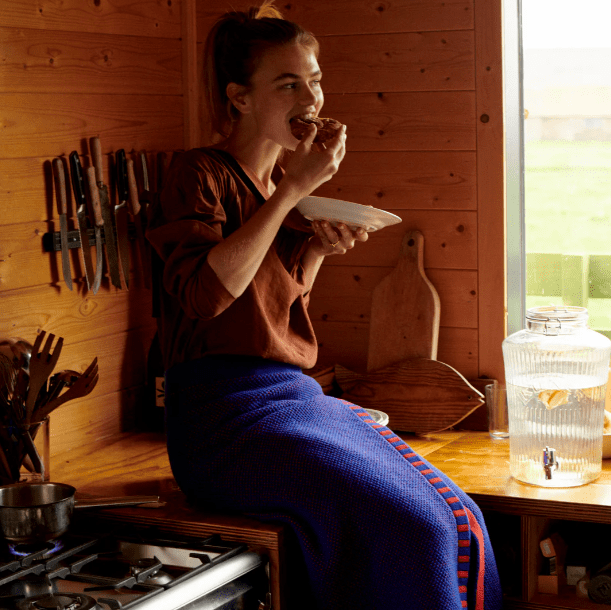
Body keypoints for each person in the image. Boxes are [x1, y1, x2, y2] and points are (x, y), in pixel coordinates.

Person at [145, 2, 503, 609]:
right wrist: (293, 191)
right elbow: (206, 296)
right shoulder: (199, 173)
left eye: (314, 79)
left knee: (460, 515)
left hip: (292, 397)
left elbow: (277, 308)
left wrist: (315, 248)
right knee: (412, 529)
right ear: (239, 97)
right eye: (288, 83)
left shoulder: (280, 193)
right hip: (222, 424)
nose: (310, 97)